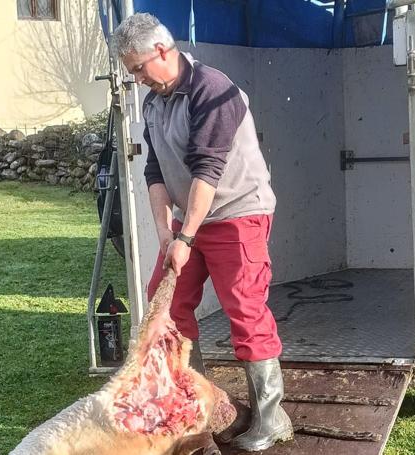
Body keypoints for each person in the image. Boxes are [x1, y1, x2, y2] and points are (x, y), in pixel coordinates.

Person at [111, 13, 293, 452]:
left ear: (161, 50)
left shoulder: (213, 89)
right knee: (167, 307)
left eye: (138, 68)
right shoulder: (154, 103)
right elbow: (154, 170)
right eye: (129, 72)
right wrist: (164, 232)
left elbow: (207, 170)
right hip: (191, 223)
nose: (135, 79)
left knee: (245, 312)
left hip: (237, 215)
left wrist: (185, 237)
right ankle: (202, 413)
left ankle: (272, 418)